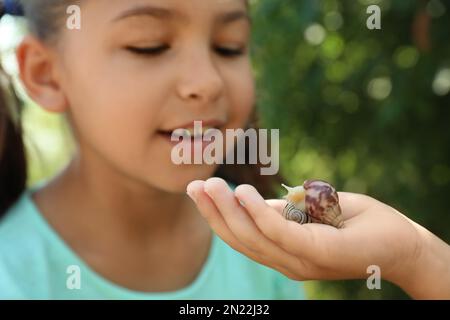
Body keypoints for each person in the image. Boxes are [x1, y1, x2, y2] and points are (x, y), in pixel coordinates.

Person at [0, 0, 304, 299]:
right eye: (149, 46)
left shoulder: (264, 241)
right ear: (46, 74)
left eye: (229, 47)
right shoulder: (12, 274)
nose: (208, 82)